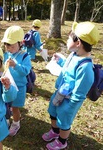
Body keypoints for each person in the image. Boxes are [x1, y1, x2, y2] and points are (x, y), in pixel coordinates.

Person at [42, 22, 100, 150]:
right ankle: (54, 131)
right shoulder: (74, 55)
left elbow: (80, 92)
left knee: (64, 120)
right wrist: (61, 61)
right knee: (52, 111)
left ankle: (62, 141)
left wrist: (70, 107)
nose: (67, 40)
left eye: (69, 38)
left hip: (69, 100)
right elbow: (68, 68)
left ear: (78, 43)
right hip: (60, 93)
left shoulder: (85, 68)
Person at [1, 26, 32, 136]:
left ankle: (16, 123)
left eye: (12, 46)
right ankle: (6, 119)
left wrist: (15, 65)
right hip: (7, 86)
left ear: (20, 43)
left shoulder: (24, 56)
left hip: (19, 87)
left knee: (15, 107)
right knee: (6, 104)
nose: (9, 48)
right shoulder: (6, 54)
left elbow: (26, 71)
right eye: (7, 45)